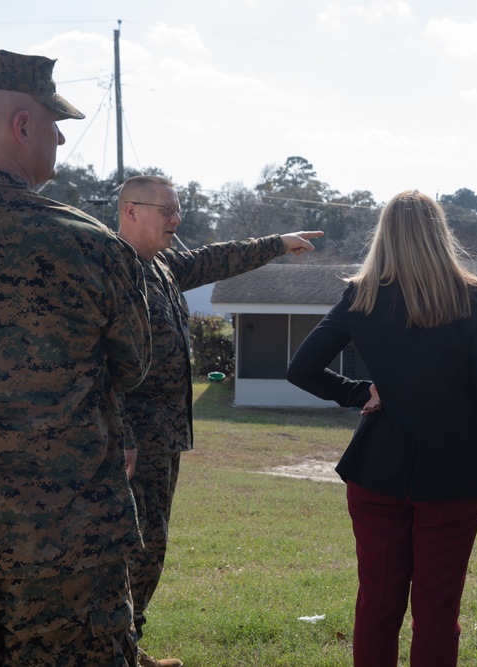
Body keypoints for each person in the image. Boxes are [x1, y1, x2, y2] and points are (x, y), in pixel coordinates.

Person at [0, 50, 151, 665]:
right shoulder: (90, 245)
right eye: (52, 120)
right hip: (68, 553)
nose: (61, 135)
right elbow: (133, 366)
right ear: (22, 125)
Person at [286, 189, 477, 667]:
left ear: (384, 235)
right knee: (437, 611)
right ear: (440, 232)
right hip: (457, 473)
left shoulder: (361, 295)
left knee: (378, 605)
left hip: (378, 469)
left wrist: (359, 391)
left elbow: (301, 368)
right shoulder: (474, 298)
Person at [115, 174, 322, 667]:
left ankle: (126, 645)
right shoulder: (110, 268)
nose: (176, 219)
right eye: (166, 210)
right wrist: (121, 435)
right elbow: (96, 361)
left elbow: (213, 259)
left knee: (150, 550)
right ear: (130, 212)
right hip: (129, 447)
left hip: (162, 439)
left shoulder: (162, 264)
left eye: (178, 209)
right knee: (128, 549)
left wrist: (275, 243)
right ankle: (111, 649)